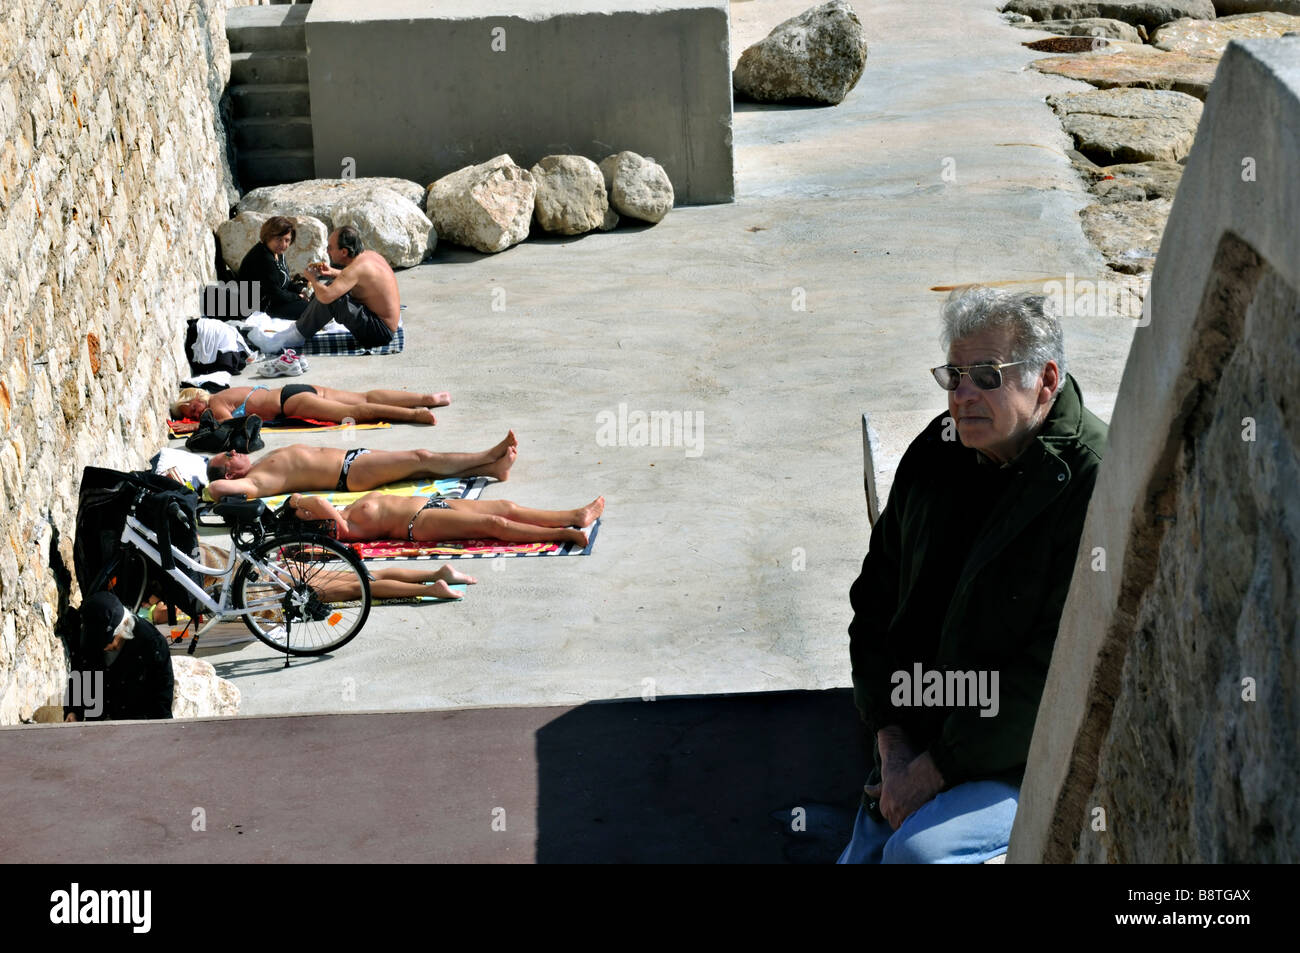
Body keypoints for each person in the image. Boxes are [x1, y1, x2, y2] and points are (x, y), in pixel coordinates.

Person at [839, 286, 1108, 864]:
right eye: (954, 375)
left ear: (1046, 380)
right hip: (925, 730)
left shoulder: (1091, 481)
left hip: (1029, 752)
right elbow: (874, 601)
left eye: (987, 375)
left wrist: (935, 770)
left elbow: (1056, 673)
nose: (962, 396)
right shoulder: (939, 451)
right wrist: (890, 741)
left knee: (918, 856)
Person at [204, 432, 519, 500]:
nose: (233, 450)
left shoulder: (258, 467)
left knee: (421, 469)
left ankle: (492, 469)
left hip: (353, 460)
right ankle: (487, 454)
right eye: (228, 456)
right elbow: (217, 488)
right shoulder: (253, 482)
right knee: (421, 457)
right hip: (350, 473)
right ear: (232, 473)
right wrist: (201, 489)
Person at [247, 226, 399, 353]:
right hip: (381, 324)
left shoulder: (356, 268)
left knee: (331, 296)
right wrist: (332, 272)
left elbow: (327, 297)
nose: (328, 251)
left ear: (344, 252)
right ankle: (297, 330)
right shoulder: (369, 257)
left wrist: (312, 278)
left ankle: (296, 336)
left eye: (330, 248)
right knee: (332, 285)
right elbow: (357, 278)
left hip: (379, 332)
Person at [288, 490, 604, 549]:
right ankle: (563, 534)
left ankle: (576, 515)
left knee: (505, 506)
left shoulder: (344, 511)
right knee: (495, 526)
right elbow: (312, 501)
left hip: (431, 503)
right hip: (419, 524)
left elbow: (309, 501)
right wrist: (298, 504)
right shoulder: (340, 530)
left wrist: (298, 503)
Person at [64, 592, 174, 722]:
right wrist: (73, 711)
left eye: (107, 642)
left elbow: (162, 698)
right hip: (96, 723)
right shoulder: (87, 634)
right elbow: (79, 674)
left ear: (124, 628)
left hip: (135, 726)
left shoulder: (152, 644)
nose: (103, 648)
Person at [171, 383, 450, 427]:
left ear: (197, 397)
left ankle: (415, 413)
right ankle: (427, 398)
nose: (195, 414)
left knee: (352, 414)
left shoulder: (217, 401)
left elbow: (228, 427)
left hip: (290, 402)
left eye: (191, 409)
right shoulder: (227, 392)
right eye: (190, 415)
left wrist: (196, 428)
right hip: (296, 391)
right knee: (363, 397)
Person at [237, 215, 312, 320]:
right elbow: (275, 294)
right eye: (278, 239)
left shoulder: (277, 253)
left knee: (314, 300)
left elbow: (285, 283)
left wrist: (302, 290)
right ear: (268, 236)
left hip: (274, 300)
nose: (283, 244)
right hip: (258, 306)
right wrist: (298, 297)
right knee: (309, 308)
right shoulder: (263, 258)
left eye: (287, 240)